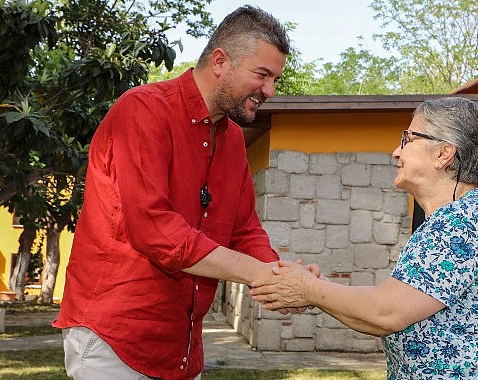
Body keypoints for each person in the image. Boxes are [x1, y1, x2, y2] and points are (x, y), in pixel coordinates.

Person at [53, 6, 314, 380]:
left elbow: (244, 230)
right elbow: (155, 230)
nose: (269, 90)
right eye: (263, 75)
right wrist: (264, 274)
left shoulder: (234, 140)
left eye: (275, 79)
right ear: (220, 61)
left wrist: (281, 276)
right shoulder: (142, 110)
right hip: (113, 340)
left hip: (184, 347)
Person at [250, 97, 478, 379]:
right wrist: (319, 291)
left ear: (444, 154)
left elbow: (386, 313)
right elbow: (382, 316)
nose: (397, 151)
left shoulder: (466, 221)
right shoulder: (455, 220)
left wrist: (309, 289)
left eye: (408, 139)